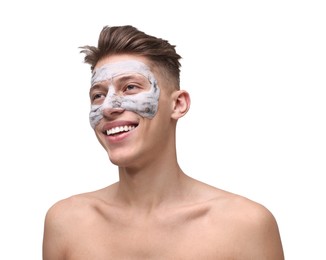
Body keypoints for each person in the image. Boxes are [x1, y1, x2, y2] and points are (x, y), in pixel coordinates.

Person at [42, 25, 284, 259]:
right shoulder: (66, 223)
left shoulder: (245, 226)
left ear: (178, 104)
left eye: (130, 87)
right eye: (98, 95)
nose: (107, 107)